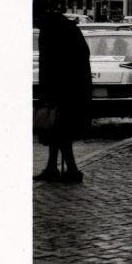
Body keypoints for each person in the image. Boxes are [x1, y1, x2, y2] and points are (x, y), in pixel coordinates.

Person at [35, 11, 91, 183]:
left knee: (60, 132)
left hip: (60, 90)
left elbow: (49, 65)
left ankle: (72, 170)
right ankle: (53, 167)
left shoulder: (51, 34)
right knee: (57, 131)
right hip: (73, 89)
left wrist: (45, 91)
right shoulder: (70, 31)